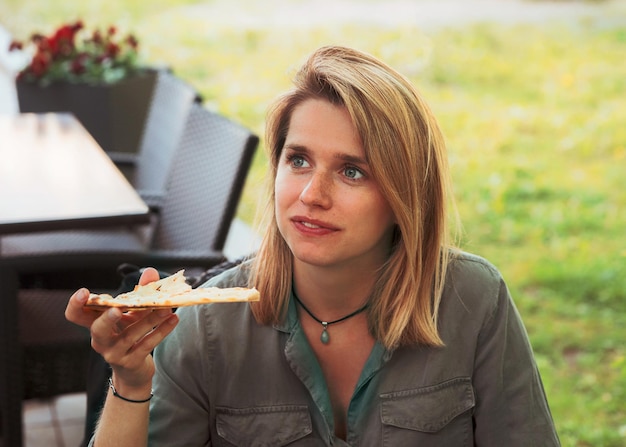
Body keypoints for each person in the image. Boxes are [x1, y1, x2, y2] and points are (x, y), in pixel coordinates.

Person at [65, 45, 560, 446]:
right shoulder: (205, 328)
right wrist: (131, 383)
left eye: (351, 171)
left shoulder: (474, 300)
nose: (311, 195)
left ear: (405, 194)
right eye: (298, 160)